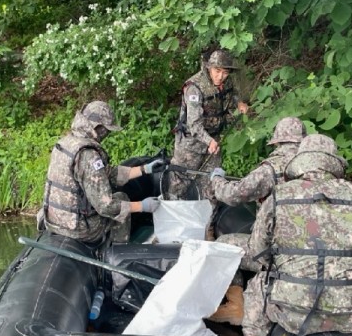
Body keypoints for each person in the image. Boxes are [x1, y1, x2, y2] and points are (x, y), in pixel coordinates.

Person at [241, 134, 352, 336]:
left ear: (301, 162)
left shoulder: (278, 196)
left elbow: (257, 252)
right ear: (333, 163)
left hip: (293, 316)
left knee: (261, 280)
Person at [206, 117, 307, 325]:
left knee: (223, 246)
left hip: (279, 253)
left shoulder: (271, 169)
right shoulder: (318, 170)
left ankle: (236, 306)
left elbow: (233, 195)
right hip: (312, 250)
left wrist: (217, 179)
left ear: (278, 142)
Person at [37, 101, 163, 245]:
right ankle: (117, 251)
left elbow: (107, 173)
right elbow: (106, 207)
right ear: (98, 127)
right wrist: (142, 206)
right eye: (107, 130)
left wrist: (145, 169)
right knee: (122, 198)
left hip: (53, 220)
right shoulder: (88, 155)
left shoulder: (66, 143)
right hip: (78, 229)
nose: (107, 134)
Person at [167, 49, 248, 201]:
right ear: (209, 68)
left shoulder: (227, 81)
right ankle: (174, 218)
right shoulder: (194, 87)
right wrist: (208, 140)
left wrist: (239, 104)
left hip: (214, 141)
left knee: (212, 183)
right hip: (190, 144)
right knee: (179, 184)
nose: (220, 76)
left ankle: (208, 221)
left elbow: (232, 94)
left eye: (225, 72)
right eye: (217, 71)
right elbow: (194, 124)